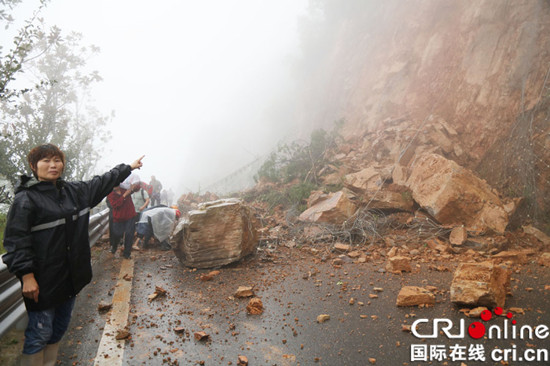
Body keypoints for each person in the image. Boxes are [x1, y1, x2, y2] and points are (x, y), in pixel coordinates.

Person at [1, 143, 143, 365]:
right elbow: (16, 241)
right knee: (39, 335)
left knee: (57, 332)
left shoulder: (74, 192)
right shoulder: (26, 199)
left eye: (57, 160)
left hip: (71, 278)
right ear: (33, 165)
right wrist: (27, 276)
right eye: (46, 161)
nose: (53, 165)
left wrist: (129, 167)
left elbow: (103, 181)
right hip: (43, 281)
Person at [107, 184, 137, 259]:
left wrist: (133, 187)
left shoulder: (125, 188)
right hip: (118, 217)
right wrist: (124, 195)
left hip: (130, 215)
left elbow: (135, 189)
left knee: (129, 234)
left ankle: (127, 254)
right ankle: (114, 246)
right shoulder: (110, 194)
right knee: (117, 234)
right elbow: (115, 205)